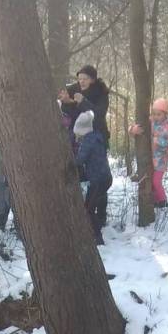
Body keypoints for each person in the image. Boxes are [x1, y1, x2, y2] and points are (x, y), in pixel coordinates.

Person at [129, 97, 168, 208]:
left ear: (165, 114)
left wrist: (160, 142)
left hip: (161, 160)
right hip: (149, 159)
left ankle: (163, 201)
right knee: (150, 181)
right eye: (154, 114)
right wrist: (133, 130)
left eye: (159, 114)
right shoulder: (150, 122)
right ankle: (155, 201)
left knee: (156, 181)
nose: (156, 117)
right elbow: (136, 128)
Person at [74, 109, 112, 245]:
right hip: (105, 177)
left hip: (98, 180)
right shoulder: (97, 137)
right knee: (93, 205)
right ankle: (98, 227)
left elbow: (80, 160)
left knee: (89, 209)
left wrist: (70, 160)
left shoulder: (88, 141)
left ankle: (97, 237)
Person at [60, 65, 110, 138]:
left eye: (85, 79)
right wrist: (66, 102)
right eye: (80, 79)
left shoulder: (101, 92)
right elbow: (68, 112)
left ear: (92, 80)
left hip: (96, 133)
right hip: (75, 132)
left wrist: (83, 102)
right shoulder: (73, 89)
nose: (82, 81)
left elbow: (99, 115)